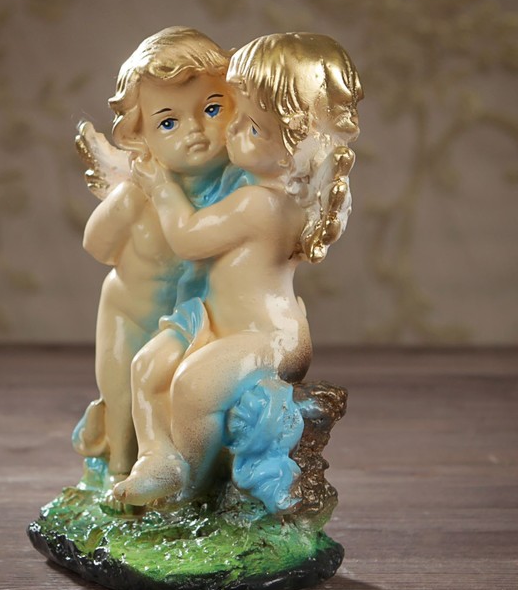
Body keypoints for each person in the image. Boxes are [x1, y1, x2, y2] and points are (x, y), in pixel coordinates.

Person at [114, 32, 363, 509]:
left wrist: (161, 187)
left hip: (266, 337)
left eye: (250, 126)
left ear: (293, 145)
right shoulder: (255, 185)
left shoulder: (261, 204)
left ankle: (192, 487)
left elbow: (188, 239)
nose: (229, 130)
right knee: (147, 366)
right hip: (213, 323)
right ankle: (156, 458)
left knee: (193, 386)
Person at [73, 27, 247, 493]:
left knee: (184, 402)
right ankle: (118, 470)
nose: (195, 131)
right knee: (122, 398)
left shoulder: (237, 187)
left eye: (212, 109)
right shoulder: (141, 190)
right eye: (168, 123)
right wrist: (132, 197)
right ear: (141, 136)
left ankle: (194, 479)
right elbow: (96, 246)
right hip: (131, 313)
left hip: (195, 322)